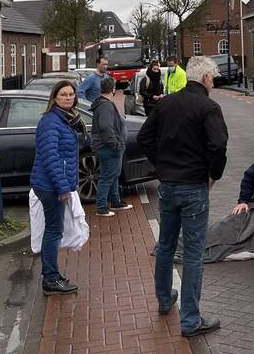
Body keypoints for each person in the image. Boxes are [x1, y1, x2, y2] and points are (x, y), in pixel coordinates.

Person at [137, 55, 228, 338]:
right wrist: (213, 175)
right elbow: (219, 145)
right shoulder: (208, 107)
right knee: (192, 252)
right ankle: (190, 320)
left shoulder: (165, 104)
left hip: (168, 185)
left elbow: (144, 138)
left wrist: (161, 165)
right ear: (205, 78)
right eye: (212, 79)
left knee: (165, 245)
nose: (212, 83)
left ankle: (165, 299)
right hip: (194, 187)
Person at [31, 80, 82, 295]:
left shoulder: (65, 120)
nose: (68, 98)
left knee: (54, 229)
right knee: (54, 231)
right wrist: (63, 188)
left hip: (54, 184)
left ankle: (52, 275)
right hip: (50, 186)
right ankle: (50, 279)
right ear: (54, 98)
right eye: (63, 94)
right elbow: (51, 158)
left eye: (71, 94)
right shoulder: (51, 122)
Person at [91, 76, 134, 217]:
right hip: (108, 147)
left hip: (108, 146)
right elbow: (105, 127)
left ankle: (115, 201)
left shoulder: (102, 104)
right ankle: (101, 207)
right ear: (113, 89)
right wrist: (115, 144)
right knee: (107, 177)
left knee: (114, 175)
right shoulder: (106, 105)